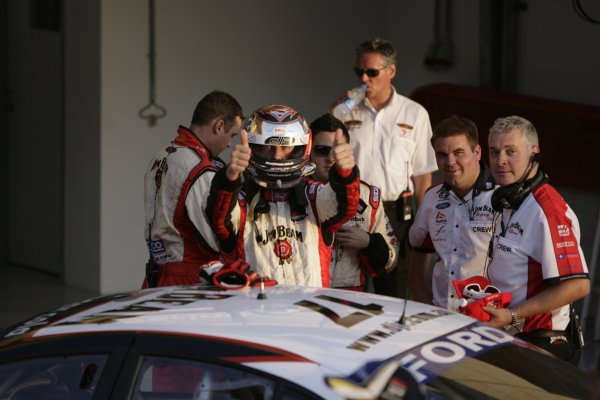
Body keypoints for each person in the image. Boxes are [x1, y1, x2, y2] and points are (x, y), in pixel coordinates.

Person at [206, 104, 360, 287]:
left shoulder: (315, 197)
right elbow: (218, 220)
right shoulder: (239, 201)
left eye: (286, 147)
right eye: (268, 147)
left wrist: (345, 172)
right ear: (254, 148)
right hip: (254, 311)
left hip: (306, 310)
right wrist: (230, 177)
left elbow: (346, 206)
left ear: (301, 147)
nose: (277, 156)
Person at [333, 37, 438, 297]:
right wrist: (334, 112)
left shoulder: (415, 113)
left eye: (372, 72)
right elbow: (327, 160)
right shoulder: (345, 110)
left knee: (392, 289)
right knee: (347, 287)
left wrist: (424, 225)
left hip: (394, 211)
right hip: (352, 206)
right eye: (360, 72)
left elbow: (423, 178)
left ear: (391, 71)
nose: (364, 79)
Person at [483, 116, 590, 365]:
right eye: (494, 151)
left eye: (511, 152)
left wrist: (511, 315)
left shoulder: (546, 209)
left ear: (534, 154)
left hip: (543, 346)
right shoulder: (508, 199)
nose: (500, 161)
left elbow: (578, 286)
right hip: (512, 338)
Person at [143, 90, 243, 288]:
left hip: (154, 274)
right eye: (231, 135)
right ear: (219, 125)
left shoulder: (162, 154)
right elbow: (215, 242)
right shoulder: (201, 168)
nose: (230, 144)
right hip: (189, 279)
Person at [408, 116, 496, 310]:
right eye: (442, 155)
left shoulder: (501, 197)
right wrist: (423, 301)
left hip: (491, 318)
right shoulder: (431, 197)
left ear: (477, 152)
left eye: (458, 153)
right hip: (442, 314)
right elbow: (418, 248)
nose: (450, 162)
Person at [309, 114, 398, 291]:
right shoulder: (293, 192)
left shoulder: (368, 195)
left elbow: (392, 260)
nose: (331, 157)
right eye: (321, 150)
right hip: (306, 291)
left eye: (338, 150)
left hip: (350, 294)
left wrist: (370, 242)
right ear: (308, 151)